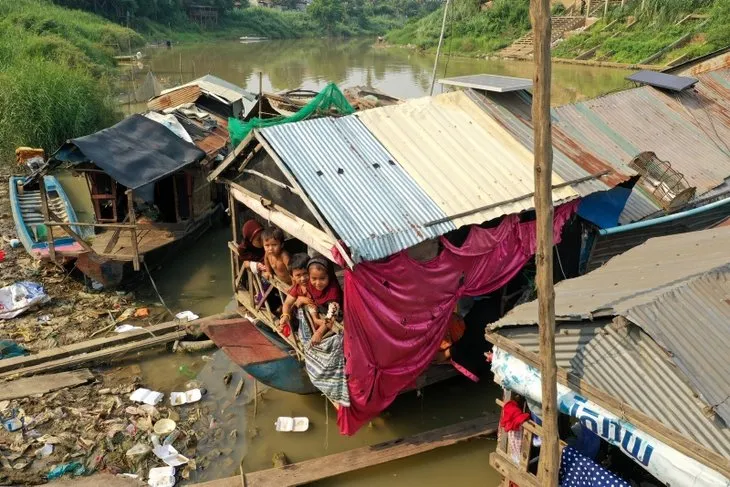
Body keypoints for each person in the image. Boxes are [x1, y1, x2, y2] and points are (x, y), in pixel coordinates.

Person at [280, 256, 342, 344]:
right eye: (314, 278)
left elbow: (331, 316)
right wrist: (285, 315)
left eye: (322, 278)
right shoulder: (308, 283)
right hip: (322, 322)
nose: (318, 283)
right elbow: (288, 303)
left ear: (330, 276)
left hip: (339, 321)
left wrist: (319, 332)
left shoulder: (333, 292)